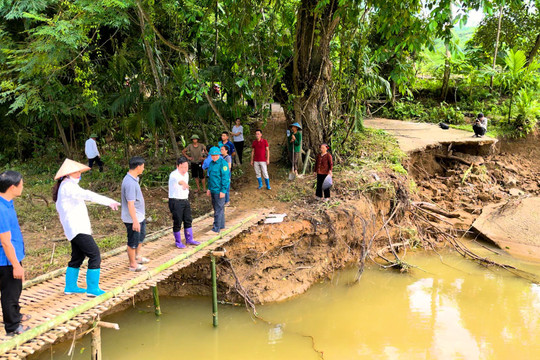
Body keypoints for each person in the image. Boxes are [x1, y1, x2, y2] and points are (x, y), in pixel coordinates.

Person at [53, 159, 120, 297]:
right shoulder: (68, 187)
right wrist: (108, 201)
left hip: (74, 228)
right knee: (94, 254)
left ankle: (70, 286)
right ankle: (92, 288)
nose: (78, 174)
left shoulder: (66, 186)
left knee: (77, 256)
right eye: (75, 171)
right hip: (77, 228)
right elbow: (87, 194)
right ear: (67, 174)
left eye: (79, 171)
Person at [0, 171, 29, 336]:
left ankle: (15, 315)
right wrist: (16, 265)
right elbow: (5, 242)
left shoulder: (6, 202)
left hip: (12, 256)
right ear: (12, 187)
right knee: (9, 293)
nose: (23, 187)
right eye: (21, 185)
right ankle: (12, 327)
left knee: (14, 290)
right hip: (6, 260)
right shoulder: (1, 209)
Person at [121, 156, 149, 272]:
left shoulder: (134, 179)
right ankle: (133, 265)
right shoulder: (129, 183)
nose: (143, 169)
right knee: (132, 240)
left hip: (139, 216)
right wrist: (135, 221)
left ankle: (137, 257)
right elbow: (130, 204)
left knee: (141, 236)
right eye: (143, 167)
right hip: (133, 218)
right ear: (138, 167)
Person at [168, 157, 199, 249]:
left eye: (186, 167)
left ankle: (189, 239)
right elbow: (179, 181)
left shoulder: (186, 174)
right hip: (176, 201)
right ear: (177, 166)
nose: (184, 170)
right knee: (178, 221)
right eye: (182, 167)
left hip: (185, 200)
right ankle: (178, 241)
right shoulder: (174, 174)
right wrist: (184, 184)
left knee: (188, 219)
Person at [206, 147, 230, 233]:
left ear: (219, 155)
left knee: (218, 209)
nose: (214, 157)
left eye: (216, 155)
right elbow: (210, 177)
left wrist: (223, 191)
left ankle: (216, 228)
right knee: (218, 208)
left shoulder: (223, 164)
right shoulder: (211, 164)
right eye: (212, 155)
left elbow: (225, 178)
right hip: (213, 189)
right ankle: (221, 225)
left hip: (219, 190)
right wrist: (209, 188)